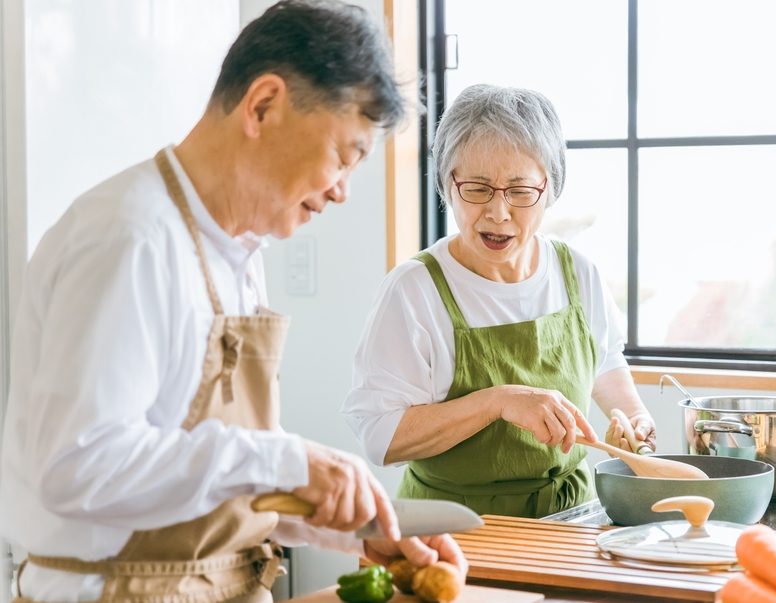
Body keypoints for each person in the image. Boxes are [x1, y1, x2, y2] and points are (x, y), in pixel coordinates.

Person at [0, 1, 465, 601]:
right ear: (263, 105)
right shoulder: (130, 238)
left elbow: (204, 480)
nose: (343, 191)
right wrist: (286, 459)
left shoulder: (238, 254)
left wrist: (352, 531)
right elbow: (80, 466)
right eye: (344, 157)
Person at [342, 84, 658, 518]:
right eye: (477, 188)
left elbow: (604, 361)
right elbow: (381, 436)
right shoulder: (415, 290)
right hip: (452, 526)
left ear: (550, 189)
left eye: (520, 190)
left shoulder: (577, 272)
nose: (498, 212)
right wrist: (498, 401)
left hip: (571, 517)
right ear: (446, 185)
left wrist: (633, 420)